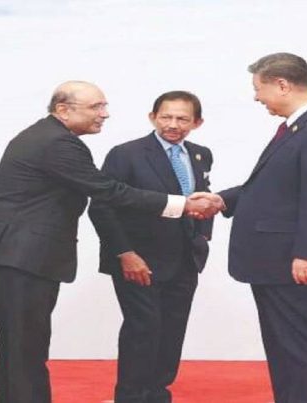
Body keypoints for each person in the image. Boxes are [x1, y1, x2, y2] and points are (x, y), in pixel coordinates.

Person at [0, 81, 223, 403]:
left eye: (103, 106)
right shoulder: (58, 143)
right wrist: (181, 205)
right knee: (25, 344)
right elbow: (108, 192)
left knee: (22, 344)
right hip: (22, 255)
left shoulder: (49, 137)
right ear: (63, 110)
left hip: (22, 255)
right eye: (96, 107)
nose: (104, 114)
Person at [211, 53, 307, 403]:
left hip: (298, 265)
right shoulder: (304, 125)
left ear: (282, 85)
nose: (256, 97)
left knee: (304, 350)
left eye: (258, 88)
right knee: (286, 350)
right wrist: (222, 199)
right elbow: (276, 188)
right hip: (278, 263)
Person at [88, 91, 212, 403]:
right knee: (143, 330)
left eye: (182, 118)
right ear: (152, 117)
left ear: (197, 123)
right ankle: (131, 397)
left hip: (185, 260)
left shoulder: (200, 154)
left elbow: (202, 196)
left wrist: (202, 237)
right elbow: (101, 207)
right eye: (166, 117)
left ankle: (158, 394)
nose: (173, 124)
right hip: (139, 260)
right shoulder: (126, 154)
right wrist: (125, 253)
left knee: (172, 331)